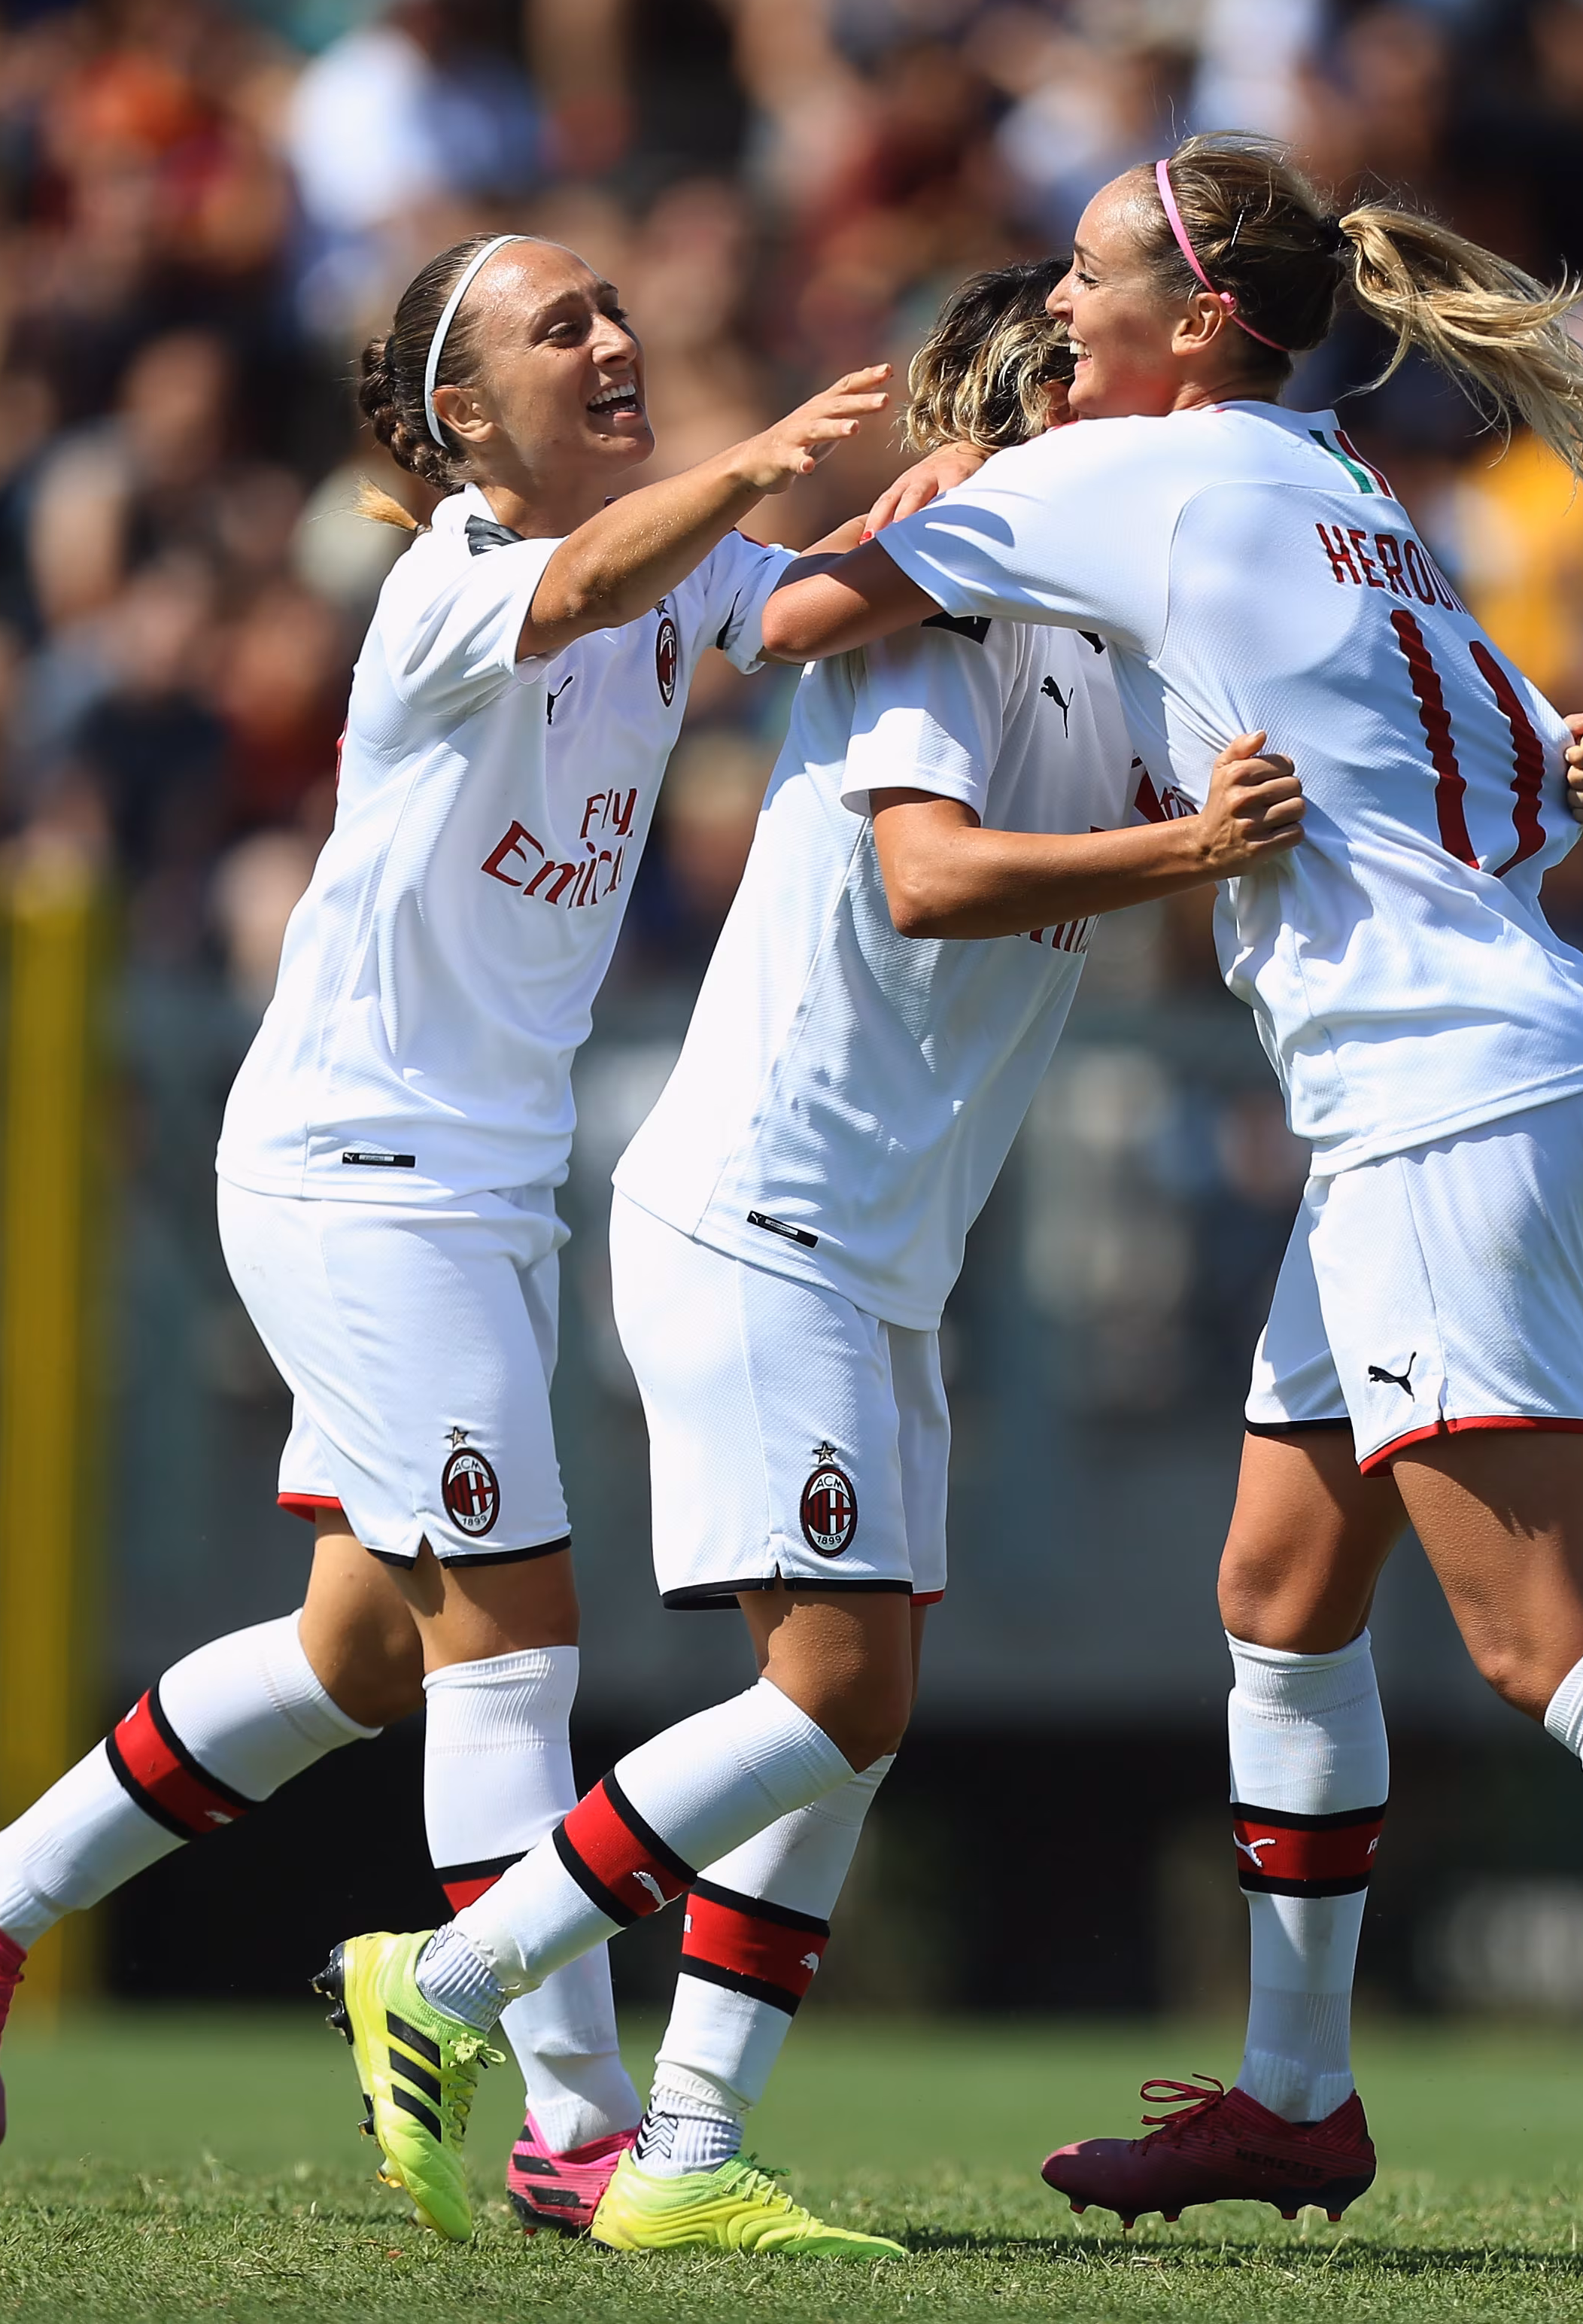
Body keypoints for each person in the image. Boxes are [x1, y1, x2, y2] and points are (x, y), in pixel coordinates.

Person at [706, 135, 1583, 2270]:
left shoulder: (1127, 471)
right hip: (1503, 1054)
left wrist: (910, 497)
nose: (1059, 308)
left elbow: (784, 622)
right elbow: (1532, 777)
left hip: (1435, 1090)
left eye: (1089, 278)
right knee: (1278, 1588)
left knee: (1544, 1636)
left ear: (1195, 320)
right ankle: (1297, 2095)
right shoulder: (1354, 491)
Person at [0, 233, 889, 2226]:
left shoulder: (671, 562)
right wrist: (760, 461)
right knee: (511, 1643)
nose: (614, 337)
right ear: (463, 417)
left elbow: (813, 607)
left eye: (614, 307)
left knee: (359, 1649)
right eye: (562, 326)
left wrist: (980, 510)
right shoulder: (450, 587)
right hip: (364, 1177)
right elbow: (596, 588)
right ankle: (578, 2130)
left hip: (474, 1185)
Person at [526, 260, 1319, 2256]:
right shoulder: (939, 595)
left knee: (846, 1729)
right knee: (841, 1699)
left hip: (881, 1257)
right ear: (1033, 414)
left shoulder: (1094, 651)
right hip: (764, 1215)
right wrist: (1186, 852)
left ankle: (689, 2151)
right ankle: (454, 1972)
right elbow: (928, 875)